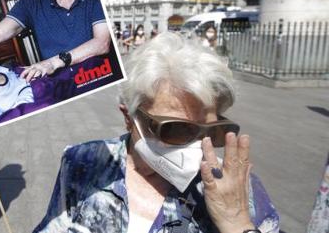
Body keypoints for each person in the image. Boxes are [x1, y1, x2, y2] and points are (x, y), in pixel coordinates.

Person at [34, 32, 280, 232]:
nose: (197, 146)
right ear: (128, 118)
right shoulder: (83, 161)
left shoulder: (236, 189)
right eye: (175, 129)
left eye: (212, 132)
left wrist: (237, 224)